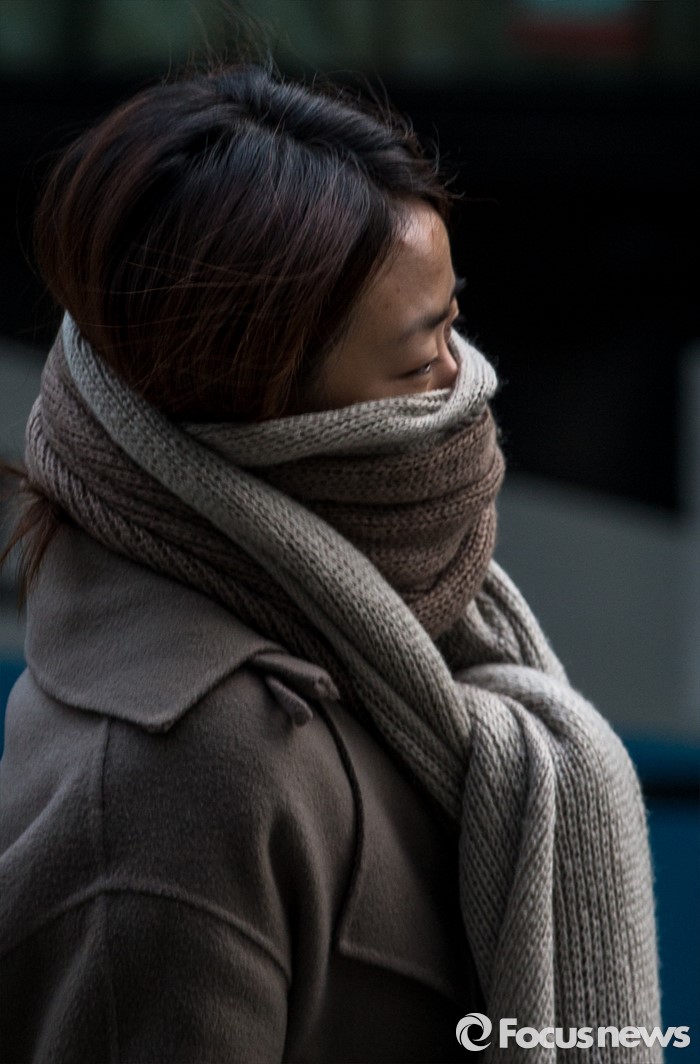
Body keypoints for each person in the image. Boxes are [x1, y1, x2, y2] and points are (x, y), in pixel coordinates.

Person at [0, 59, 661, 1063]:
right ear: (264, 409)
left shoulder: (377, 631)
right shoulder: (175, 789)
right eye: (421, 357)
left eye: (454, 320)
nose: (465, 384)